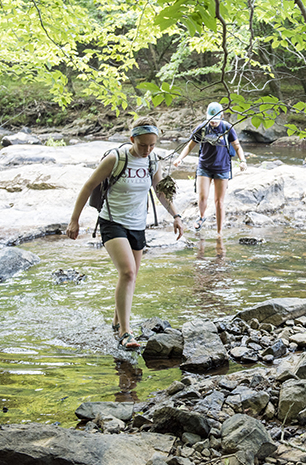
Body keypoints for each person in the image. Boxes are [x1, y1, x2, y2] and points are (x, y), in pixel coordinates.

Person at [66, 117, 184, 350]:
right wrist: (74, 220)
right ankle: (125, 332)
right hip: (112, 222)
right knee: (128, 272)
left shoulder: (152, 161)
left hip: (138, 225)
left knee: (131, 277)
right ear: (132, 139)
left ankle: (116, 321)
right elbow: (88, 186)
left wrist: (176, 216)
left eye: (152, 145)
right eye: (143, 145)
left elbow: (161, 192)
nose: (147, 150)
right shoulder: (116, 158)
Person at [173, 102, 248, 235]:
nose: (212, 122)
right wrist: (180, 158)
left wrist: (242, 161)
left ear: (222, 116)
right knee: (203, 196)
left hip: (222, 168)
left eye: (215, 120)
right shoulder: (202, 128)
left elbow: (237, 146)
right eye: (210, 120)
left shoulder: (227, 128)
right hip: (204, 166)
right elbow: (190, 146)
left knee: (219, 202)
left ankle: (219, 232)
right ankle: (202, 217)